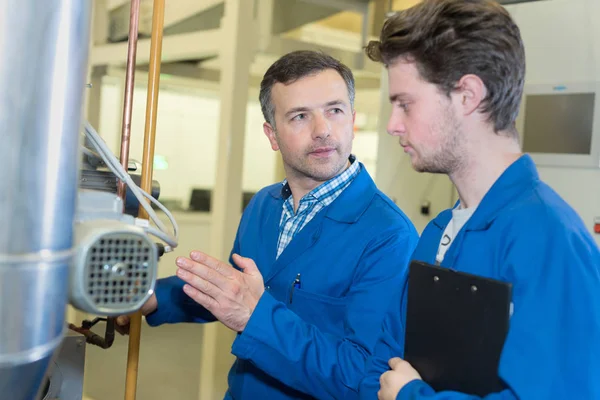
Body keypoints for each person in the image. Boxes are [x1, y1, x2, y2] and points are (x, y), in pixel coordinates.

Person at [117, 50, 418, 400]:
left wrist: (254, 316)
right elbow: (232, 292)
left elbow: (364, 376)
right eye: (300, 116)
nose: (322, 131)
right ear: (272, 134)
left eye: (334, 111)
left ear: (352, 119)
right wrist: (152, 297)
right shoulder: (264, 205)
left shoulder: (388, 236)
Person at [358, 0, 600, 399]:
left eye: (406, 103)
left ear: (468, 94)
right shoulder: (438, 234)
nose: (392, 125)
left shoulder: (551, 241)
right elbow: (383, 366)